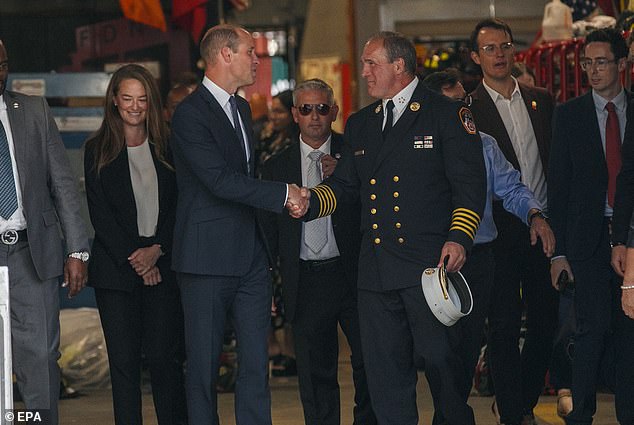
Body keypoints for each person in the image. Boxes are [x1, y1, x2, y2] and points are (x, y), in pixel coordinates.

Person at [293, 31, 487, 425]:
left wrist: (459, 237)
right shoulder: (362, 123)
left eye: (371, 64)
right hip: (376, 271)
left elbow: (470, 187)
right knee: (385, 376)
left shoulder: (444, 113)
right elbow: (346, 186)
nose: (364, 72)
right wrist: (310, 202)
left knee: (442, 367)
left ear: (399, 66)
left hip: (429, 267)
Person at [169, 24, 306, 425]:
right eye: (250, 51)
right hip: (206, 258)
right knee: (204, 368)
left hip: (250, 258)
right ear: (225, 55)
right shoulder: (190, 115)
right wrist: (284, 194)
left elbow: (244, 176)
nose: (256, 59)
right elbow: (218, 181)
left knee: (255, 366)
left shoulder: (243, 108)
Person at [421, 69, 555, 425]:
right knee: (437, 352)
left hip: (479, 260)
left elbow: (511, 188)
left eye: (464, 101)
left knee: (467, 352)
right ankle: (449, 415)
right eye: (452, 103)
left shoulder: (484, 144)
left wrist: (535, 216)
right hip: (434, 264)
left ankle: (454, 416)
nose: (462, 109)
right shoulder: (417, 147)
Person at [260, 78, 376, 425]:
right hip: (306, 277)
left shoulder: (355, 153)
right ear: (295, 114)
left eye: (322, 108)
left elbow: (379, 205)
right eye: (306, 109)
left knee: (370, 360)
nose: (315, 116)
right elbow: (267, 231)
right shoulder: (275, 166)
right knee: (314, 371)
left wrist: (346, 177)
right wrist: (268, 280)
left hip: (354, 272)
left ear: (335, 112)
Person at [83, 64, 187, 425]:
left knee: (164, 360)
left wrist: (157, 250)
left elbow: (180, 204)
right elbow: (101, 217)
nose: (134, 106)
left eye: (142, 99)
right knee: (124, 366)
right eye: (127, 98)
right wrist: (138, 260)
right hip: (117, 272)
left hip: (163, 262)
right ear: (114, 100)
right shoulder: (96, 149)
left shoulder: (169, 144)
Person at [468, 18, 557, 425]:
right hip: (498, 235)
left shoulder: (542, 99)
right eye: (489, 48)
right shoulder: (467, 110)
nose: (499, 54)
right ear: (476, 57)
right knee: (503, 326)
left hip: (544, 229)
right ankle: (513, 413)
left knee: (546, 323)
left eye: (504, 46)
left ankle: (520, 401)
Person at [0, 39, 90, 425]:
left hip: (30, 253)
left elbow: (63, 184)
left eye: (2, 63)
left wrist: (78, 251)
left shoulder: (32, 109)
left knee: (39, 357)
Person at [549, 27, 634, 425]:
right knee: (589, 331)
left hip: (630, 237)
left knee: (629, 332)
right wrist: (559, 252)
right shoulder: (568, 116)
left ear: (622, 64)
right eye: (587, 63)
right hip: (586, 241)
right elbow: (559, 188)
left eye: (601, 62)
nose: (593, 70)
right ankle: (580, 416)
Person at [256, 89, 299, 168]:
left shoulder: (297, 143)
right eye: (272, 111)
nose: (273, 117)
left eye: (279, 112)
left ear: (293, 113)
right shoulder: (269, 136)